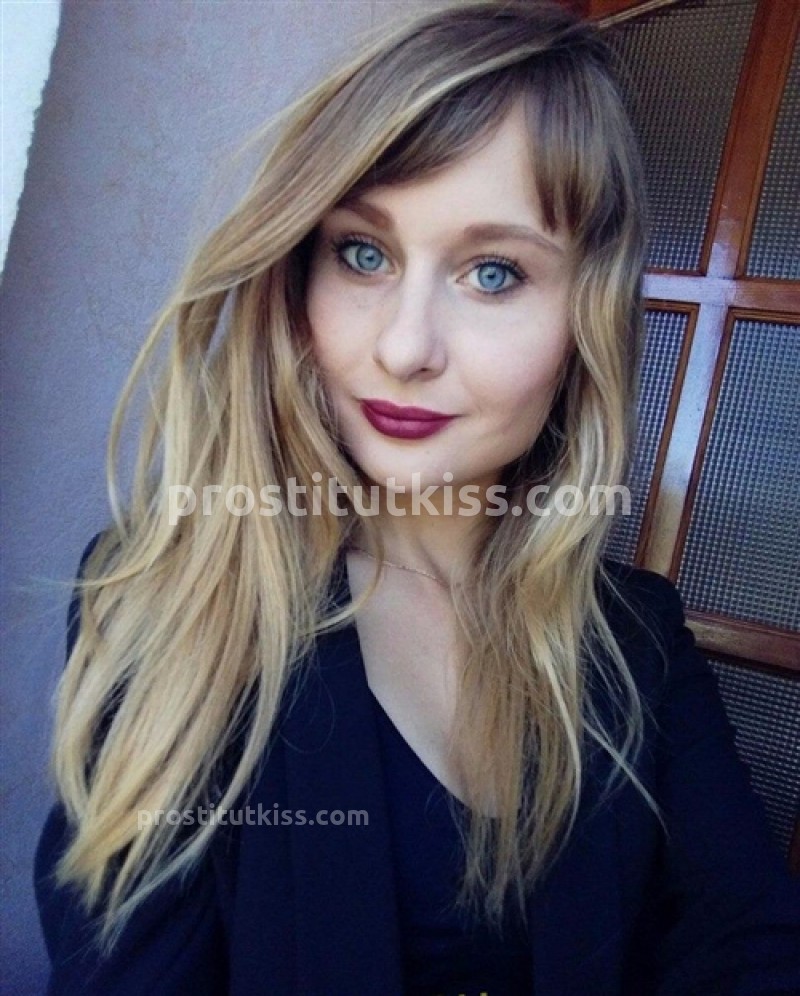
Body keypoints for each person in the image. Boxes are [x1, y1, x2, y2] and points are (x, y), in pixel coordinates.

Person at [33, 1, 800, 994]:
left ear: (585, 316)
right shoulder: (177, 603)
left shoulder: (636, 643)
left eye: (493, 273)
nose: (403, 347)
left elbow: (748, 941)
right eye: (364, 253)